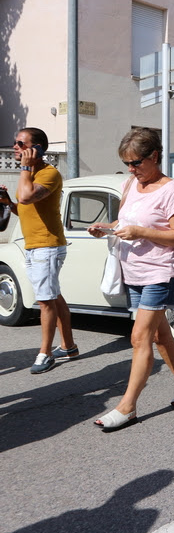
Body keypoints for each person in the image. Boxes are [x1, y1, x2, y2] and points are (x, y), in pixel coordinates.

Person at [88, 128, 174, 430]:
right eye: (128, 164)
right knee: (160, 336)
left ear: (155, 157)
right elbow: (125, 223)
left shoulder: (169, 189)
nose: (132, 170)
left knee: (139, 338)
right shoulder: (130, 185)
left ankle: (127, 406)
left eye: (136, 163)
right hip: (133, 271)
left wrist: (140, 232)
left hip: (160, 272)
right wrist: (106, 228)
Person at [0, 127, 77, 373]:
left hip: (47, 246)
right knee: (53, 296)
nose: (16, 147)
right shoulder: (30, 174)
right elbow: (23, 208)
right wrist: (7, 203)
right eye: (15, 143)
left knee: (45, 300)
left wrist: (24, 171)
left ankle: (45, 353)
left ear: (37, 149)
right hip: (35, 246)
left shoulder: (49, 174)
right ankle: (69, 346)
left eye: (21, 144)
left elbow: (26, 198)